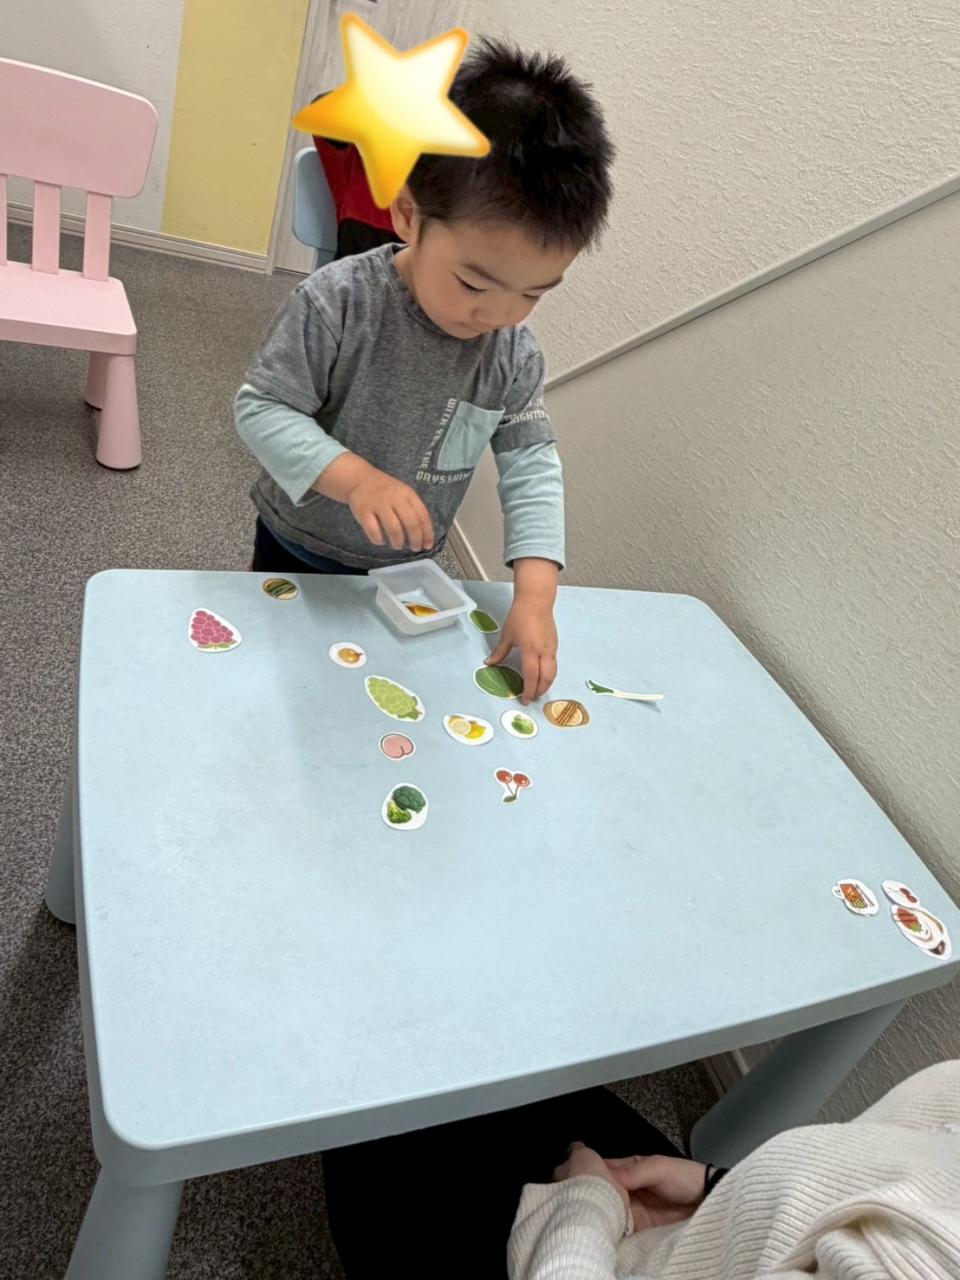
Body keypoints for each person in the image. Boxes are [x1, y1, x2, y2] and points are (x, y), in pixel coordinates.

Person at [235, 41, 614, 703]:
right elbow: (261, 409)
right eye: (474, 283)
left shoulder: (513, 355)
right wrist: (355, 479)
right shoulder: (337, 303)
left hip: (408, 573)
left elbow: (531, 467)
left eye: (534, 293)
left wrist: (535, 595)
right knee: (283, 689)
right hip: (299, 548)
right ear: (409, 214)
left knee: (374, 699)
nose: (500, 314)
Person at [509, 1060, 960, 1280]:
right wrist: (719, 1188)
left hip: (579, 1255)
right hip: (687, 1229)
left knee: (513, 1087)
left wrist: (583, 1203)